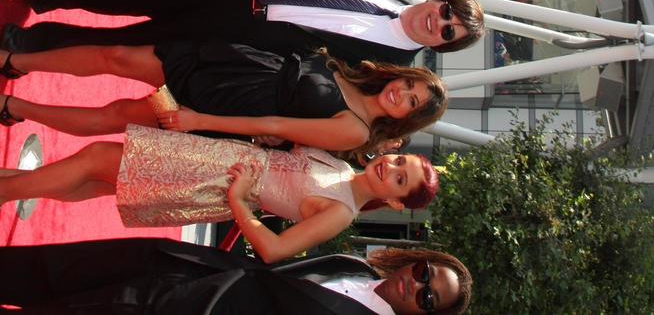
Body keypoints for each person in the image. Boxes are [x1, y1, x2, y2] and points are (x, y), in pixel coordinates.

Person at [0, 126, 437, 251]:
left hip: (216, 182)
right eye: (400, 161)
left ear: (397, 202)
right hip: (219, 159)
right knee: (100, 180)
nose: (391, 168)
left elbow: (274, 249)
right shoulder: (343, 168)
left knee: (97, 158)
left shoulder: (342, 212)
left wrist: (236, 199)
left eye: (401, 179)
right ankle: (9, 183)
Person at [0, 46, 447, 156]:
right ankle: (16, 61)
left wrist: (199, 120)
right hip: (235, 61)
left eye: (411, 103)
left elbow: (275, 126)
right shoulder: (355, 73)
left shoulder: (355, 129)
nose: (401, 95)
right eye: (410, 87)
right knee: (116, 55)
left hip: (227, 104)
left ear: (405, 119)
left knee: (117, 115)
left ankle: (15, 109)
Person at [6, 0, 485, 66]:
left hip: (244, 34)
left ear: (442, 44)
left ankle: (32, 46)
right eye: (447, 12)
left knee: (128, 42)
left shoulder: (390, 69)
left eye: (448, 32)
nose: (438, 22)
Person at [0, 238, 474, 315]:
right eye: (425, 272)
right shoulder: (356, 266)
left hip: (187, 309)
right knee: (56, 268)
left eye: (428, 297)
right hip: (187, 267)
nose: (417, 284)